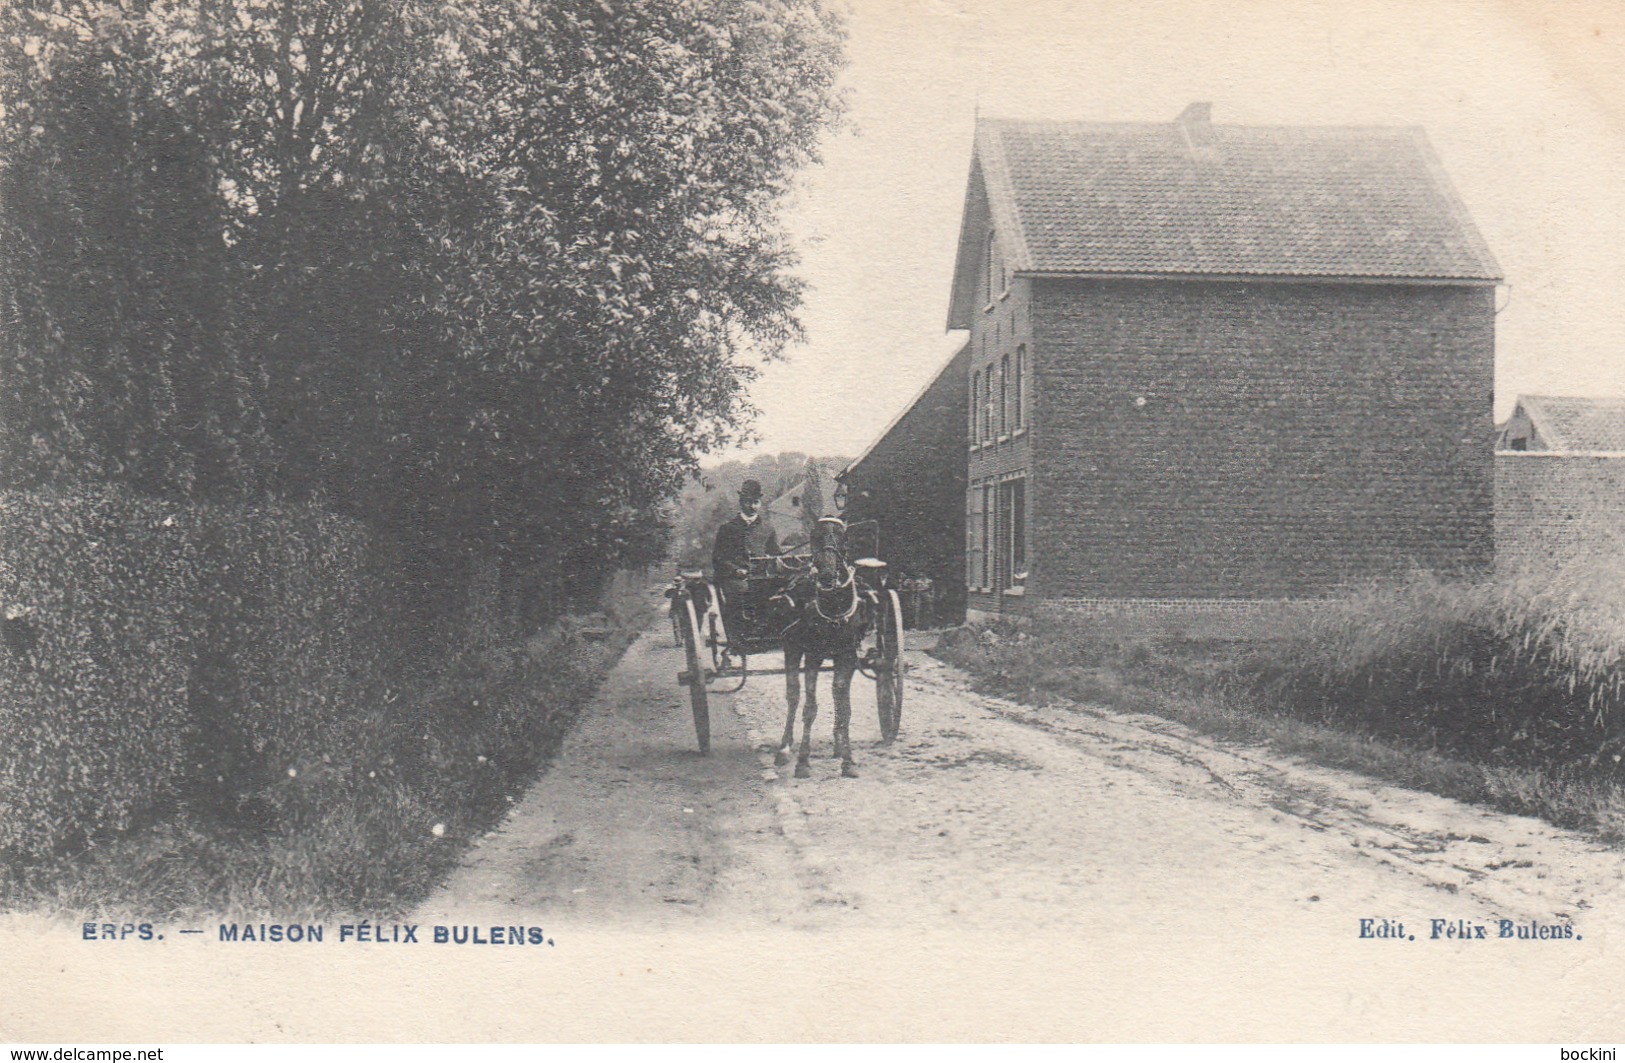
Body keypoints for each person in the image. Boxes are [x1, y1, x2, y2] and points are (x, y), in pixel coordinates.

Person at [711, 479, 780, 640]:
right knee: (741, 592)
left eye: (756, 502)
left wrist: (773, 561)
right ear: (741, 502)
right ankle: (739, 635)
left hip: (761, 576)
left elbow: (776, 553)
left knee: (780, 593)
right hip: (735, 578)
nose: (753, 506)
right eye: (749, 502)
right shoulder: (728, 528)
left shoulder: (767, 528)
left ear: (760, 503)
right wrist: (735, 570)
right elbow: (719, 558)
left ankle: (771, 632)